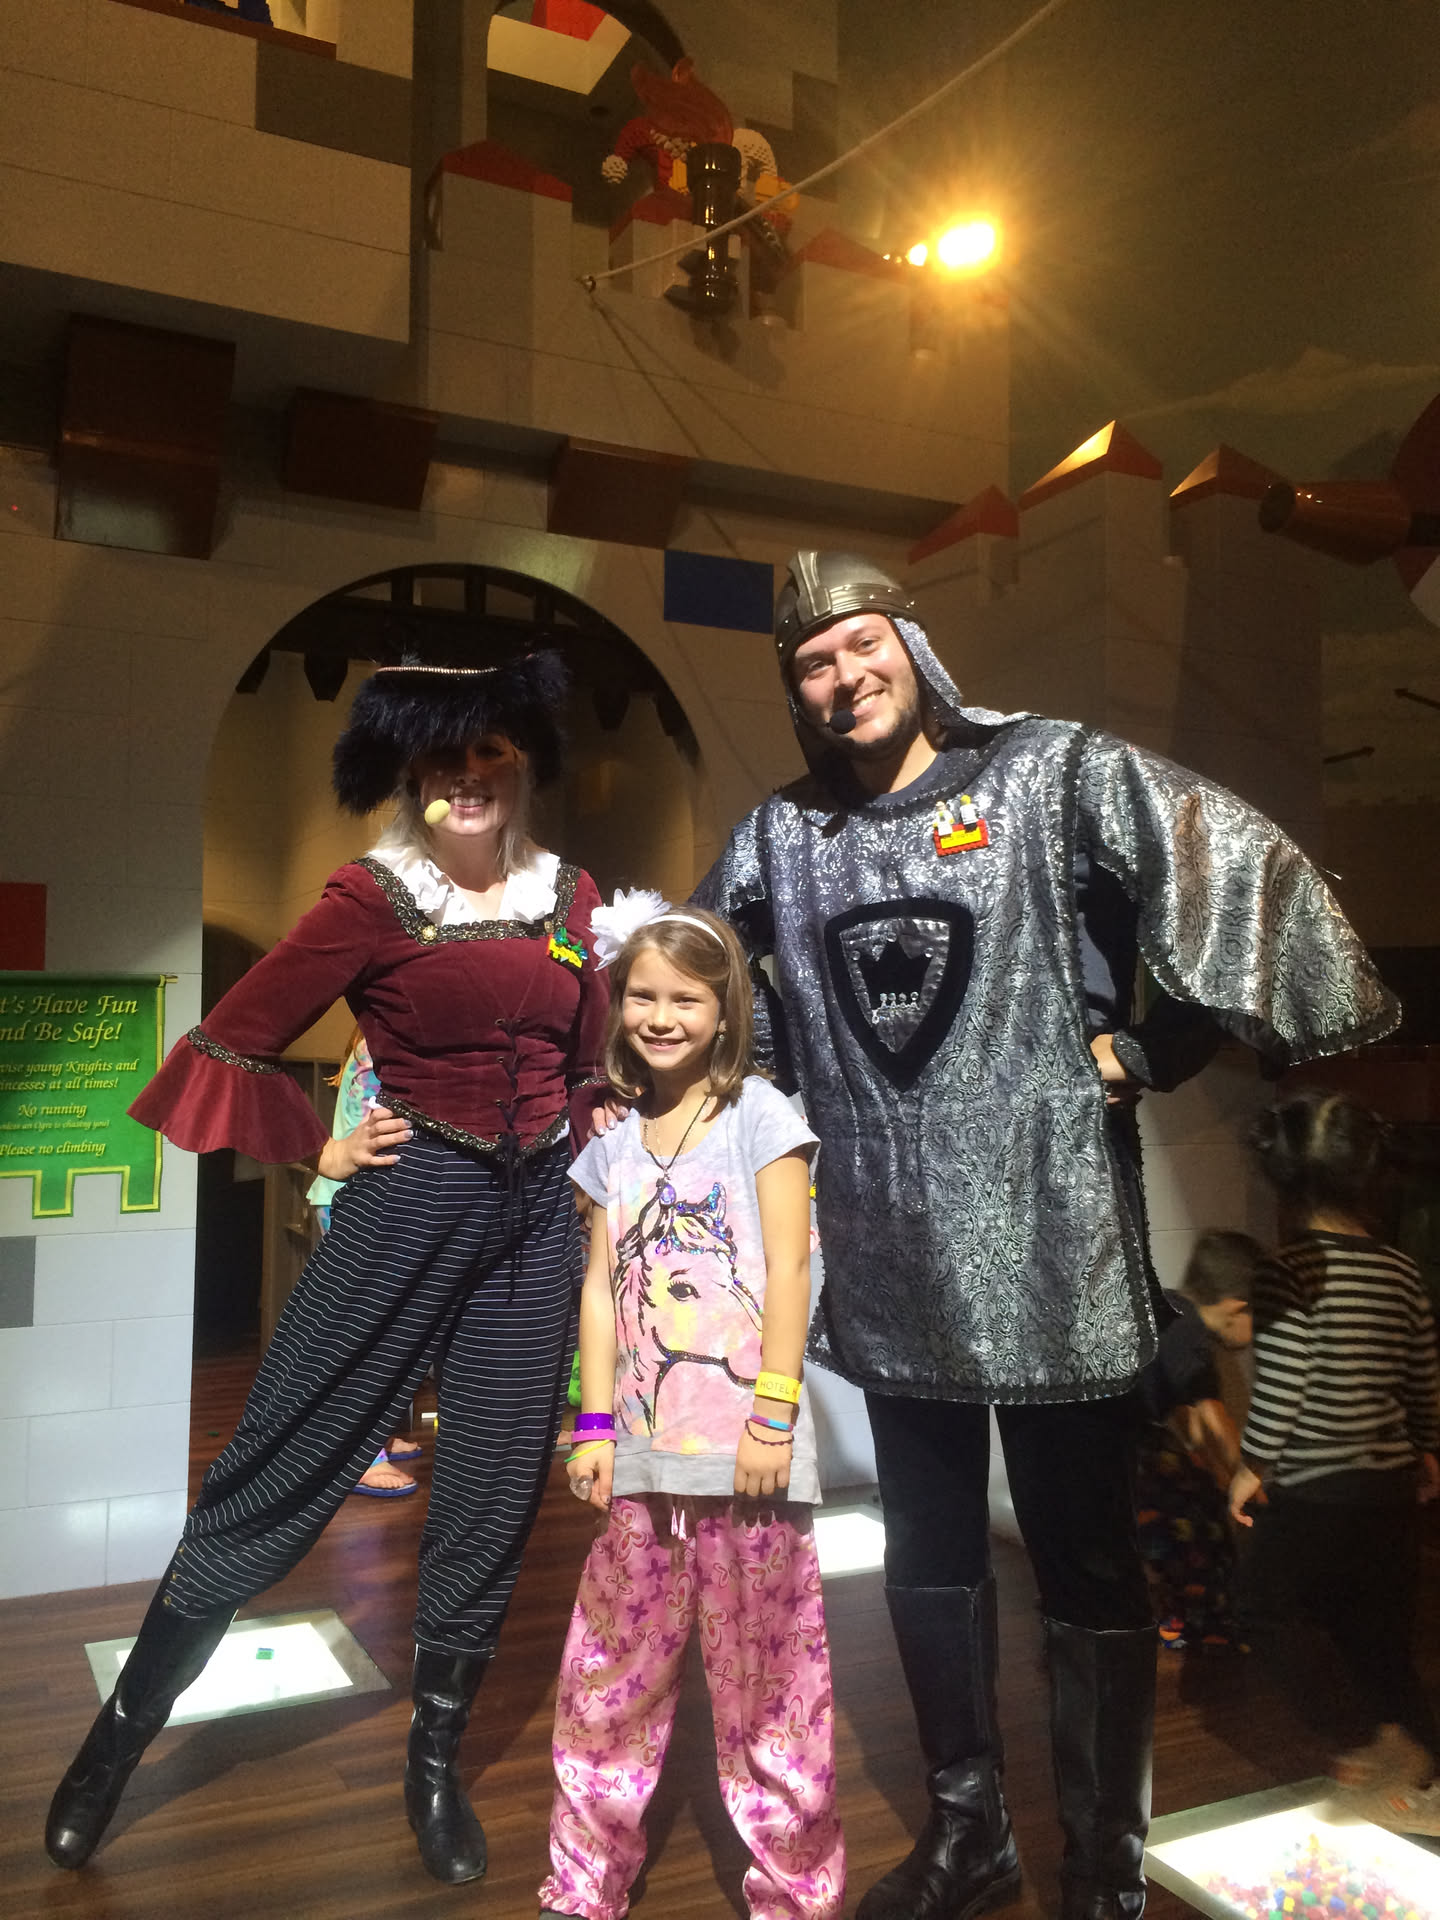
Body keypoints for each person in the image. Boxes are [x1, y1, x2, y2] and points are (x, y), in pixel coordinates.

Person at [693, 551, 1399, 1920]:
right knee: (929, 1554)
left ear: (912, 646)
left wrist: (1152, 1046)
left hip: (1055, 1246)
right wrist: (762, 1069)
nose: (843, 677)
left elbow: (1229, 868)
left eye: (860, 644)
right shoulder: (783, 835)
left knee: (1086, 1562)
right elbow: (702, 970)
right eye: (812, 665)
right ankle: (972, 1836)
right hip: (892, 1252)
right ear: (796, 693)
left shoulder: (1049, 770)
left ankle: (1103, 1874)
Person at [45, 651, 609, 1886]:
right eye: (445, 758)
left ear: (522, 761)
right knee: (280, 1463)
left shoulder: (572, 896)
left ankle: (432, 1765)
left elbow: (588, 1060)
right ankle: (112, 1748)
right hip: (409, 1206)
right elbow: (232, 1038)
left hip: (532, 1229)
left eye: (492, 752)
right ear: (410, 773)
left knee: (490, 1492)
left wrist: (600, 1131)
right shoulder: (372, 896)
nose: (470, 777)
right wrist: (324, 1144)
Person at [537, 897, 844, 1920]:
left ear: (725, 1012)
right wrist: (591, 1428)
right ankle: (584, 1881)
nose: (660, 1017)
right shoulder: (610, 1147)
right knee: (607, 1680)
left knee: (773, 1690)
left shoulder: (762, 1116)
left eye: (686, 999)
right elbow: (596, 1289)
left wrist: (773, 1416)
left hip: (750, 1459)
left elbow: (792, 1267)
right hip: (639, 1463)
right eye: (641, 996)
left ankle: (794, 1894)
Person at [1230, 1089, 1440, 1829]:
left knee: (1260, 1604)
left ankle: (1360, 1738)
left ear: (1285, 1179)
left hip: (1316, 1491)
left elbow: (1284, 1380)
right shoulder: (1401, 1270)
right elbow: (1421, 1372)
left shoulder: (1286, 1269)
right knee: (1380, 1635)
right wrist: (1426, 1448)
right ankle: (1425, 1776)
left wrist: (1252, 1464)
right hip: (1388, 1489)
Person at [308, 1030, 422, 1498]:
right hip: (354, 1200)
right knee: (365, 1334)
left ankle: (375, 1438)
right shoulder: (381, 1043)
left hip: (354, 1196)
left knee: (384, 1329)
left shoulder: (376, 1039)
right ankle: (357, 1457)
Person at [1136, 1231, 1261, 1653]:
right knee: (1201, 1528)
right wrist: (1248, 1477)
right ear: (1237, 1308)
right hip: (1131, 1448)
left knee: (1190, 1504)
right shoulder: (1194, 1333)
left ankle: (1172, 1615)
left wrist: (1212, 1468)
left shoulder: (1170, 1309)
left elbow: (1183, 1412)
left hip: (1115, 1441)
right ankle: (1205, 1624)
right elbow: (1213, 1419)